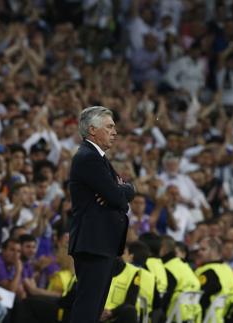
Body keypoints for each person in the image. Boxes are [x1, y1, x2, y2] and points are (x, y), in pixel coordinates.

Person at [68, 106, 135, 323]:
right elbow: (118, 197)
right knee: (88, 308)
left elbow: (126, 190)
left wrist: (121, 191)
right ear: (92, 130)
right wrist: (118, 193)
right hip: (93, 242)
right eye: (109, 126)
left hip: (100, 243)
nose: (115, 132)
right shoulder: (88, 157)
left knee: (94, 309)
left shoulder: (99, 157)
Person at [194, 237, 233, 322]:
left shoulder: (208, 272)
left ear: (214, 251)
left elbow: (195, 300)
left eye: (203, 249)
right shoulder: (228, 269)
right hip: (230, 318)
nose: (199, 252)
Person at [160, 235, 201, 321]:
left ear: (163, 249)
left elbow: (163, 301)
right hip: (190, 316)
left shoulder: (167, 268)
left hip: (173, 316)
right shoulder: (186, 267)